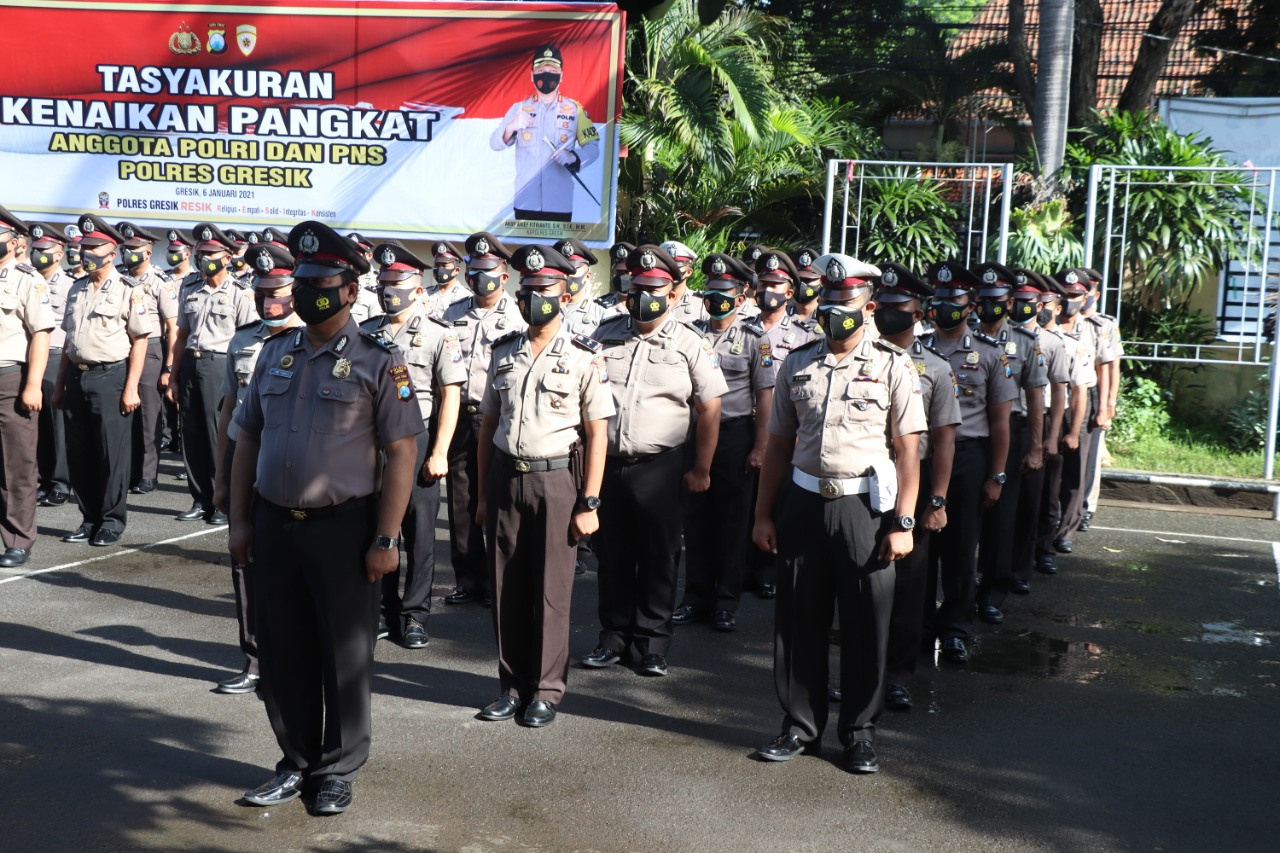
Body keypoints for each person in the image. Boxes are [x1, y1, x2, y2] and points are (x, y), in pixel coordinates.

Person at [230, 220, 423, 816]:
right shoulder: (274, 353)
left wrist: (387, 537)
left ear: (351, 290)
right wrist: (238, 522)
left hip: (344, 529)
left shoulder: (378, 362)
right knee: (283, 652)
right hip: (274, 524)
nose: (310, 290)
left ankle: (336, 769)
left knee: (344, 654)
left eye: (323, 281)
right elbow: (245, 440)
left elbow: (402, 453)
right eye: (304, 279)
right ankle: (295, 760)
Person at [752, 252, 925, 774]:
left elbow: (908, 449)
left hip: (865, 509)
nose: (834, 313)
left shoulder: (893, 366)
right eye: (827, 304)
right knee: (799, 620)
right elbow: (777, 446)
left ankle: (859, 732)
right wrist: (763, 515)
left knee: (865, 624)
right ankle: (800, 726)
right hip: (803, 502)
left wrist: (904, 521)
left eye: (845, 304)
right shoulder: (797, 362)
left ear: (867, 307)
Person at [472, 244, 614, 727]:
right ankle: (511, 685)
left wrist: (590, 500)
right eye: (528, 291)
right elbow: (489, 425)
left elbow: (598, 435)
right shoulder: (503, 352)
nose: (535, 299)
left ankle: (547, 691)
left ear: (565, 296)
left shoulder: (583, 357)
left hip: (557, 483)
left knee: (552, 592)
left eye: (545, 291)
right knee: (505, 586)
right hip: (506, 478)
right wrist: (482, 496)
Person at [580, 244, 727, 677]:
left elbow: (710, 408)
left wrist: (701, 469)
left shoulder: (689, 343)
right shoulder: (604, 336)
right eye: (637, 287)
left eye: (655, 288)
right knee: (613, 555)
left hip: (661, 467)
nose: (645, 295)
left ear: (674, 293)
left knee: (660, 556)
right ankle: (613, 637)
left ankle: (651, 643)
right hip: (608, 464)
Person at [210, 242, 303, 695]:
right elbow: (228, 410)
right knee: (244, 561)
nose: (271, 303)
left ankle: (293, 660)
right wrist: (220, 477)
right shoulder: (243, 339)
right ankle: (254, 660)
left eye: (280, 293)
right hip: (243, 461)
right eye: (264, 293)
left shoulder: (315, 340)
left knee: (293, 567)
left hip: (291, 466)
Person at [363, 241, 465, 648]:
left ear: (418, 286)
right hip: (372, 442)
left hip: (417, 437)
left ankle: (415, 615)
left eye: (397, 282)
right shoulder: (366, 332)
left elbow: (450, 394)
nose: (389, 289)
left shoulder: (440, 334)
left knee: (420, 533)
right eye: (384, 281)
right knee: (375, 527)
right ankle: (382, 610)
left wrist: (440, 451)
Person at [919, 261, 1017, 664]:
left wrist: (996, 475)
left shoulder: (990, 355)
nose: (944, 307)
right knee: (919, 546)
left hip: (968, 458)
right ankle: (918, 625)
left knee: (961, 549)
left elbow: (1000, 421)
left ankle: (956, 627)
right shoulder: (916, 349)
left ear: (971, 304)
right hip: (921, 456)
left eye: (953, 300)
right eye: (939, 299)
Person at [873, 262, 961, 712]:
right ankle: (861, 673)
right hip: (865, 478)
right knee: (863, 581)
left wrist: (938, 500)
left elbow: (944, 440)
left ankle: (898, 676)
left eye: (899, 308)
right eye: (883, 307)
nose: (889, 315)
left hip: (916, 480)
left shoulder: (936, 369)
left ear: (918, 311)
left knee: (908, 587)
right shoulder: (859, 357)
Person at [675, 253, 775, 631]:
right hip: (693, 433)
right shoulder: (692, 335)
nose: (716, 299)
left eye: (725, 293)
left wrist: (760, 446)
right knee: (695, 521)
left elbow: (764, 396)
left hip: (735, 435)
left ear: (741, 296)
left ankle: (725, 602)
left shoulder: (755, 339)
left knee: (732, 523)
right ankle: (695, 596)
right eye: (711, 292)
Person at [52, 214, 149, 548]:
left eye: (94, 247)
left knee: (111, 454)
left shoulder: (128, 290)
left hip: (112, 376)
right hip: (78, 376)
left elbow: (139, 340)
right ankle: (89, 517)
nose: (86, 253)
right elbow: (69, 341)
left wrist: (132, 386)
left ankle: (111, 520)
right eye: (84, 247)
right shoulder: (77, 289)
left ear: (112, 252)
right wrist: (62, 383)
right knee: (80, 453)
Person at [442, 232, 528, 605]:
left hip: (497, 414)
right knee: (460, 498)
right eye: (473, 270)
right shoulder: (452, 312)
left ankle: (498, 579)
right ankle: (467, 578)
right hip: (459, 413)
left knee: (494, 497)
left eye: (487, 270)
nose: (478, 277)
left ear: (503, 275)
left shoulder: (520, 314)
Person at [971, 262, 1047, 625]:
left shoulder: (1026, 342)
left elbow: (1035, 398)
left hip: (1011, 433)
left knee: (1002, 518)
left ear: (1010, 302)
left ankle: (991, 594)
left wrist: (1035, 447)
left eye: (997, 299)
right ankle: (957, 589)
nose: (990, 306)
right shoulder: (962, 336)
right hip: (968, 434)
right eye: (984, 299)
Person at [166, 222, 258, 524]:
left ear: (227, 258)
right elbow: (181, 334)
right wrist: (173, 373)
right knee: (190, 434)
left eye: (210, 253)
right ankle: (199, 498)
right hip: (192, 363)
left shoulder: (241, 293)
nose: (203, 258)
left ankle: (222, 500)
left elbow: (248, 341)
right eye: (200, 252)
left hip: (221, 366)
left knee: (216, 435)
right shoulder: (190, 286)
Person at [746, 250, 818, 599]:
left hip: (782, 431)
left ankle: (766, 570)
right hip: (741, 425)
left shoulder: (805, 335)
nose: (767, 290)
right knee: (741, 505)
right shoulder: (742, 326)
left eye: (775, 284)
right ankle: (740, 568)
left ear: (790, 292)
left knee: (775, 499)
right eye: (763, 284)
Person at [1008, 269, 1069, 593]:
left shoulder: (1050, 342)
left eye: (1028, 301)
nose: (1020, 306)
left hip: (1036, 423)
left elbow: (1058, 391)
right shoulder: (997, 338)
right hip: (1002, 424)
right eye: (1015, 300)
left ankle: (1020, 569)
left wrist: (1051, 437)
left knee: (1031, 503)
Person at [0, 206, 55, 567]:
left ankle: (18, 538)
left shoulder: (26, 278)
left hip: (9, 379)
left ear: (14, 242)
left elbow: (41, 334)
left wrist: (33, 384)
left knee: (16, 465)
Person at [490, 44, 601, 222]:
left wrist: (573, 157)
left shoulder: (575, 110)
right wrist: (510, 127)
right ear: (532, 75)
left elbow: (593, 149)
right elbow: (494, 144)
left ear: (561, 75)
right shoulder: (519, 108)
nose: (547, 73)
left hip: (559, 202)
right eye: (541, 69)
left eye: (552, 69)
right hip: (526, 202)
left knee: (556, 251)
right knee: (525, 250)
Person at [1040, 269, 1099, 571]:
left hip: (1058, 415)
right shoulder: (1025, 338)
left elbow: (1080, 392)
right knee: (1037, 487)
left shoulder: (1074, 342)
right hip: (1030, 416)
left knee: (1062, 480)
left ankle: (1055, 539)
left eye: (1074, 296)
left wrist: (1072, 431)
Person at [115, 222, 178, 496]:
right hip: (122, 348)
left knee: (149, 415)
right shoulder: (119, 277)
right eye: (125, 248)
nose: (128, 253)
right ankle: (129, 470)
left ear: (148, 253)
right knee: (124, 413)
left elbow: (173, 326)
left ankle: (148, 474)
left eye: (134, 249)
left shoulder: (160, 281)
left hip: (151, 349)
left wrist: (169, 367)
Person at [27, 222, 74, 508]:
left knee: (57, 426)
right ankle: (44, 480)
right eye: (36, 250)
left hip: (56, 356)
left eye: (44, 251)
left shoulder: (70, 284)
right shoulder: (28, 280)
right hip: (30, 357)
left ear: (59, 253)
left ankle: (60, 482)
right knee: (37, 425)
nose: (39, 256)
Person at [1080, 267, 1122, 533]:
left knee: (1092, 457)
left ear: (1095, 293)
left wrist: (1108, 404)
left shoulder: (1105, 323)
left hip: (1095, 393)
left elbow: (1112, 366)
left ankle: (1086, 507)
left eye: (1089, 292)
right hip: (1073, 393)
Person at [554, 238, 607, 336]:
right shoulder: (546, 309)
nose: (567, 275)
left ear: (587, 276)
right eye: (562, 270)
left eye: (572, 270)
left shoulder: (601, 314)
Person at [659, 241, 708, 325]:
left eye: (676, 268)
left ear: (689, 272)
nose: (671, 272)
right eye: (666, 267)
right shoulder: (651, 299)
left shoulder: (701, 304)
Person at [424, 241, 472, 317]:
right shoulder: (424, 294)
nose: (440, 269)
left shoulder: (466, 297)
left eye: (444, 265)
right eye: (437, 265)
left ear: (457, 270)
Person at [788, 247, 822, 332]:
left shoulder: (826, 317)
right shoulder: (781, 314)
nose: (802, 285)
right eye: (799, 280)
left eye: (808, 280)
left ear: (820, 282)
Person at [594, 242, 633, 315]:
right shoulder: (601, 304)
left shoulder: (643, 304)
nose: (622, 277)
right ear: (614, 272)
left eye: (626, 272)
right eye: (619, 271)